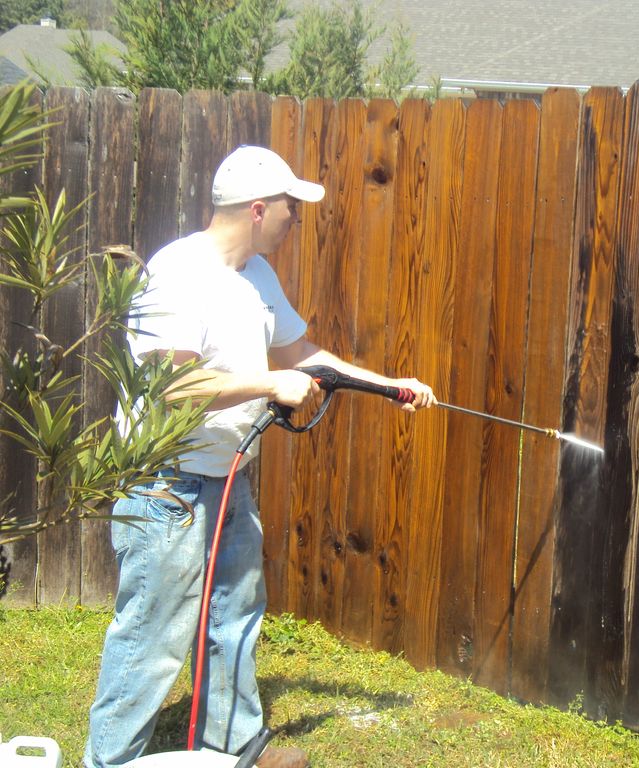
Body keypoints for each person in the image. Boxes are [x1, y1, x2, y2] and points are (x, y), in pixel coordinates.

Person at [83, 145, 436, 768]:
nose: (294, 219)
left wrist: (389, 385)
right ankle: (107, 760)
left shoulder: (257, 275)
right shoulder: (176, 275)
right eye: (288, 208)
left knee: (235, 616)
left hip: (227, 477)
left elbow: (303, 356)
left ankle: (232, 748)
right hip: (166, 487)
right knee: (152, 636)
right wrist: (270, 386)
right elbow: (177, 388)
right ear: (256, 208)